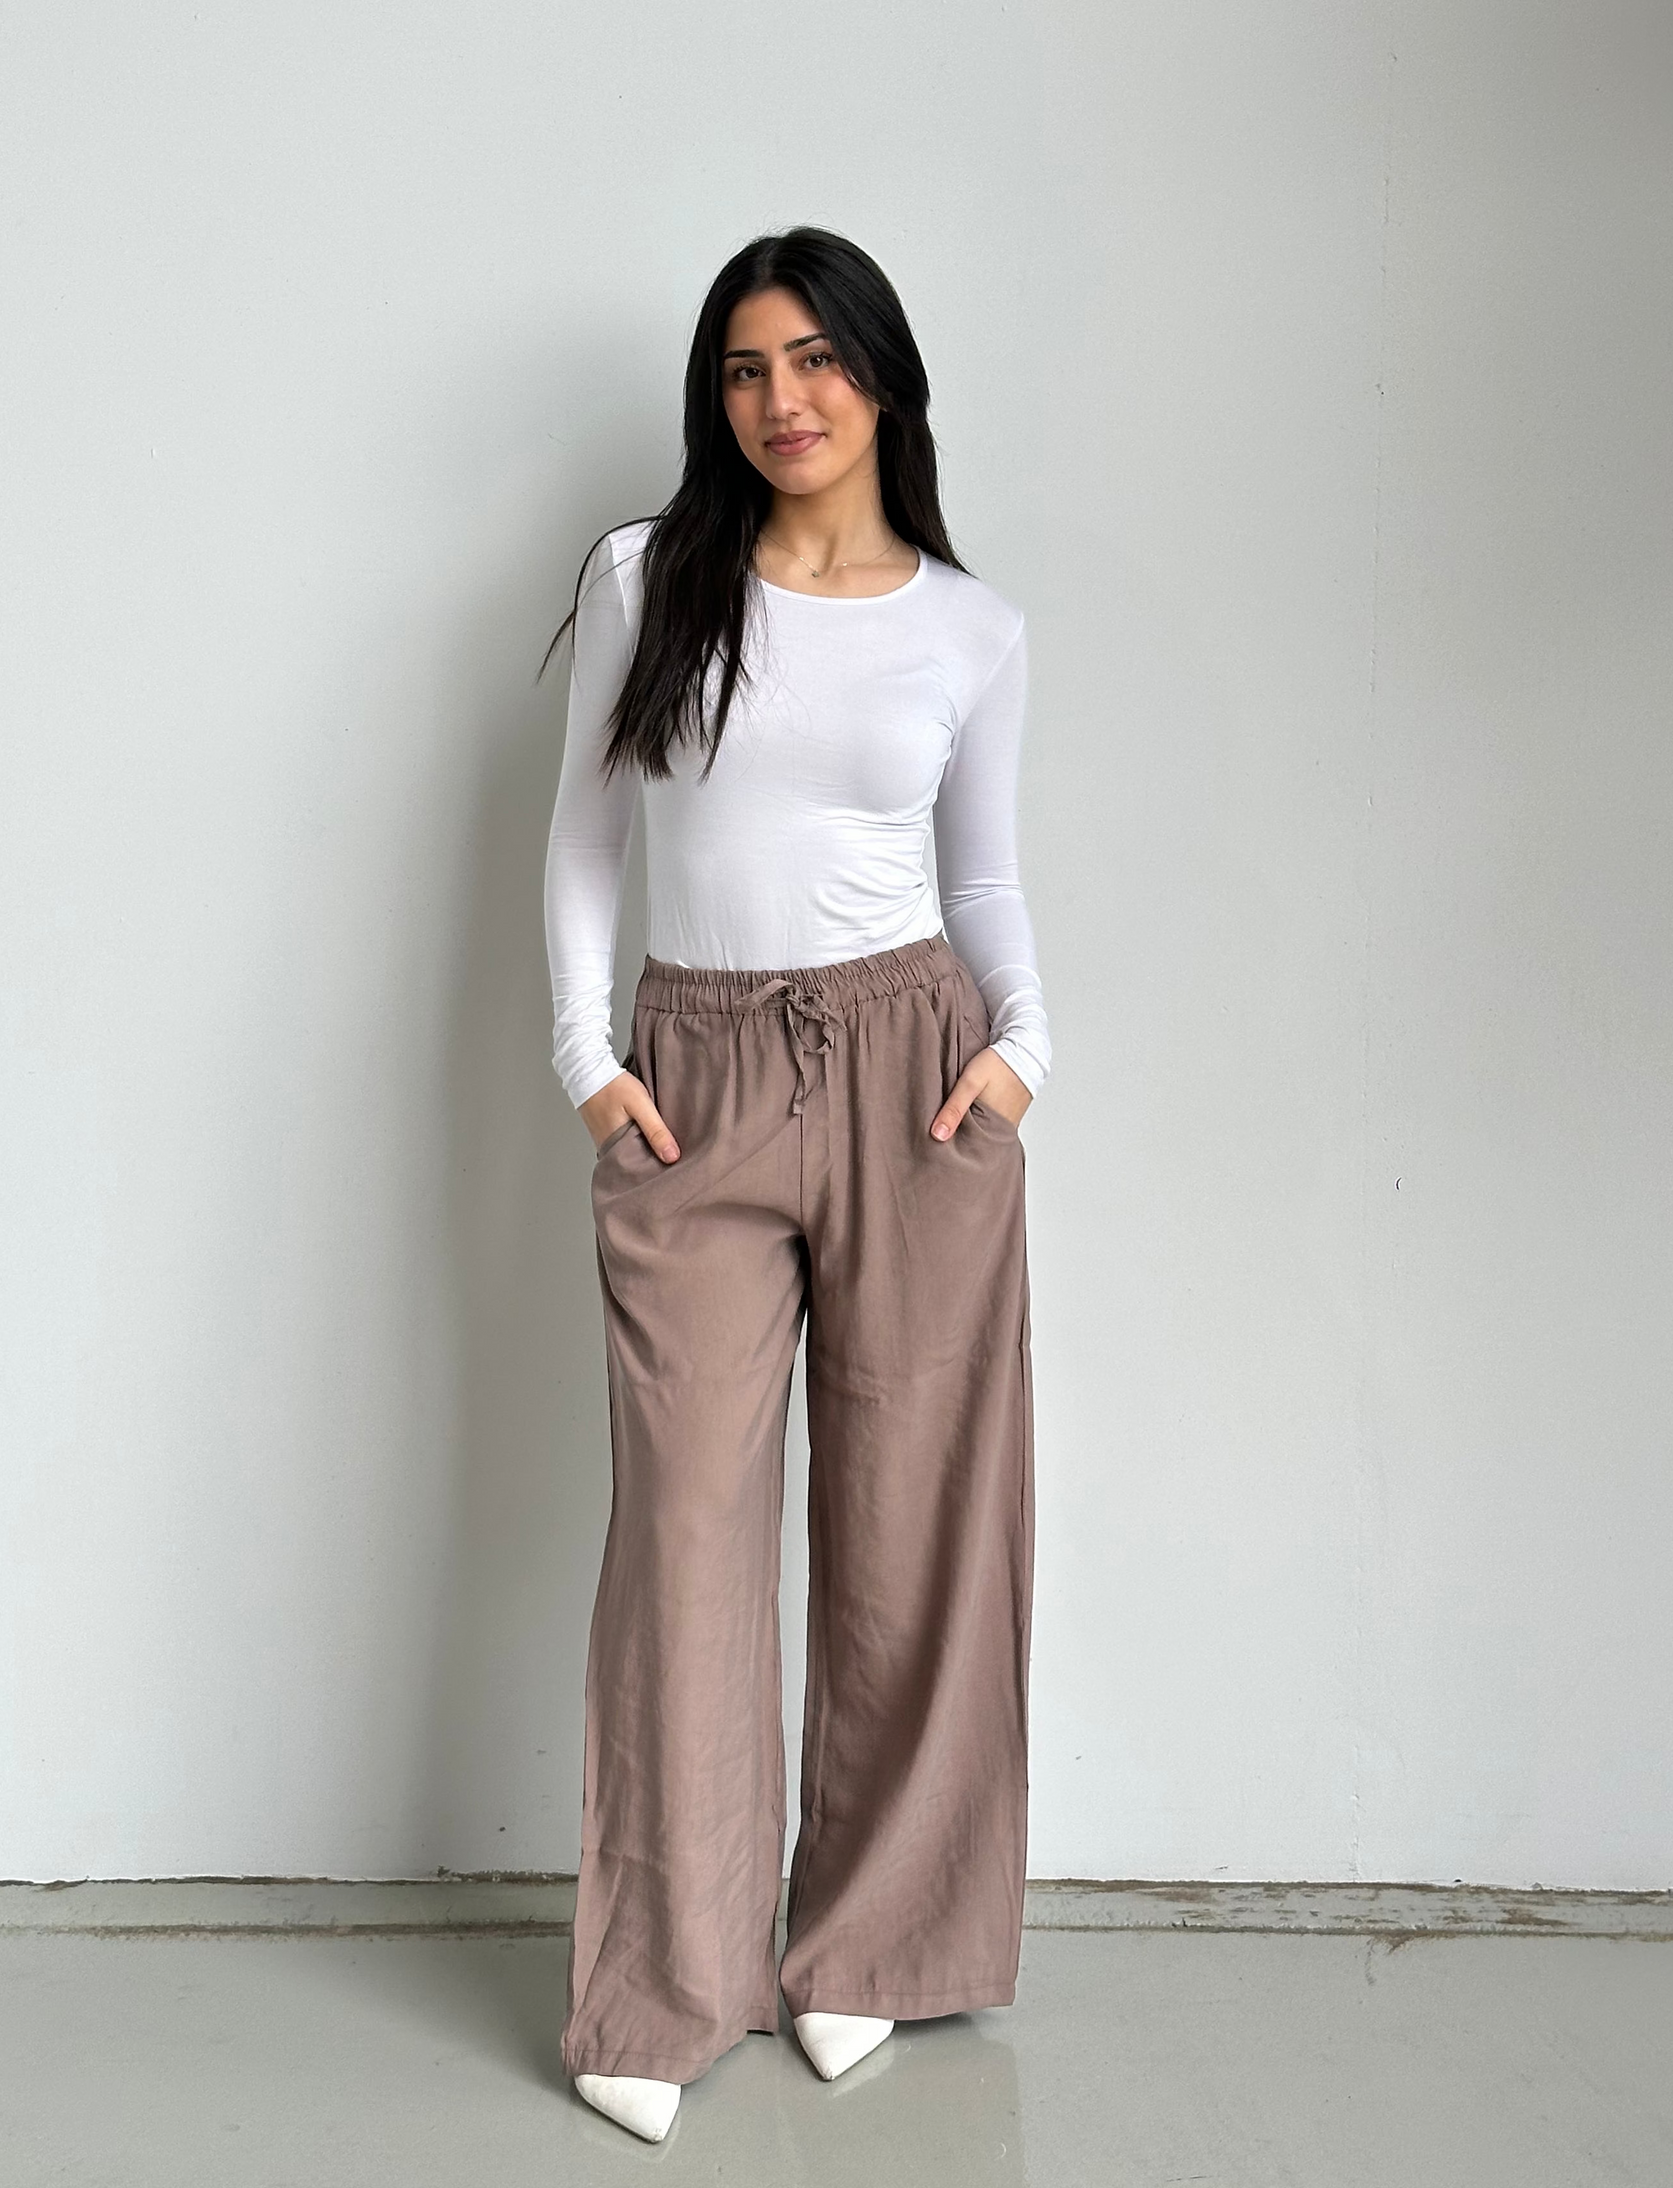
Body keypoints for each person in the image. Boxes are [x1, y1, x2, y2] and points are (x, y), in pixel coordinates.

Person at [539, 225, 1051, 2144]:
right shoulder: (646, 576)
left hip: (921, 1072)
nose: (784, 399)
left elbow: (981, 872)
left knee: (920, 1522)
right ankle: (667, 1979)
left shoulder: (971, 629)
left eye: (819, 359)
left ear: (883, 377)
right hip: (697, 1072)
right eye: (747, 368)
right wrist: (589, 1064)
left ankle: (870, 1947)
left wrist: (1025, 1045)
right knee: (684, 1527)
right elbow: (586, 838)